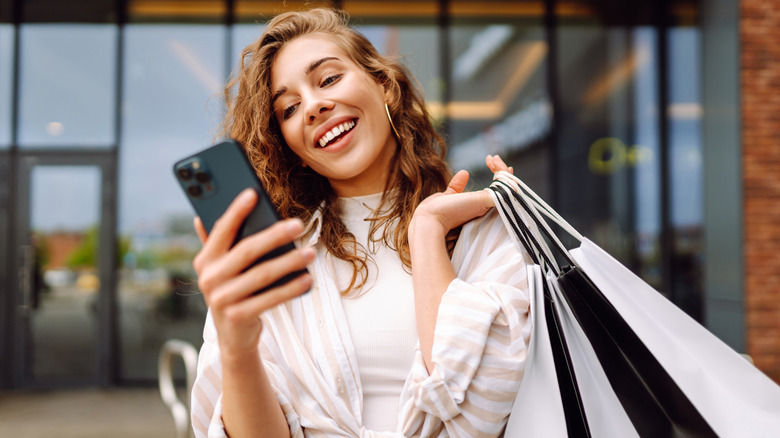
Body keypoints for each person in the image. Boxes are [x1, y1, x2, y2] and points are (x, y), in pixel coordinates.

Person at [190, 8, 531, 438]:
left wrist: (426, 233)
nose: (313, 107)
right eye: (290, 108)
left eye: (329, 79)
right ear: (292, 145)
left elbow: (484, 410)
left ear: (384, 86)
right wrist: (238, 350)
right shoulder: (274, 261)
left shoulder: (483, 233)